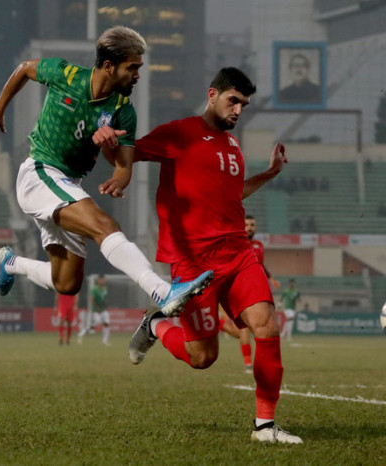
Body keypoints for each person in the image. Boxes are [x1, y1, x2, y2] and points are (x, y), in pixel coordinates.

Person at [0, 26, 212, 317]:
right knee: (106, 226)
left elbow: (123, 167)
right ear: (109, 66)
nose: (137, 75)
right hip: (39, 173)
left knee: (67, 282)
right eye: (132, 67)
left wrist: (113, 161)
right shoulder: (67, 75)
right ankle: (163, 291)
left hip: (66, 184)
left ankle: (12, 264)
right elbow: (25, 69)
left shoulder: (124, 110)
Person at [128, 67, 302, 444]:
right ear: (212, 94)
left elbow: (233, 195)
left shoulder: (233, 146)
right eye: (233, 100)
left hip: (238, 253)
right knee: (202, 357)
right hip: (194, 264)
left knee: (267, 327)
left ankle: (265, 426)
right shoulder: (180, 133)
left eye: (244, 104)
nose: (238, 110)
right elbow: (129, 152)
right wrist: (109, 140)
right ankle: (156, 324)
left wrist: (270, 173)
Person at [220, 215, 281, 373]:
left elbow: (260, 264)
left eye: (252, 224)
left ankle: (218, 325)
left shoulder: (259, 245)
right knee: (245, 329)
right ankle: (249, 364)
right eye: (246, 224)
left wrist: (271, 278)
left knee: (252, 328)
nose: (249, 227)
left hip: (257, 288)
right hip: (239, 289)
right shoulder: (237, 243)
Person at [87, 274, 111, 345]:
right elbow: (92, 299)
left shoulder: (105, 288)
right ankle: (88, 329)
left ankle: (105, 340)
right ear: (98, 280)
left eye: (103, 280)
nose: (102, 281)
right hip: (96, 310)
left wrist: (105, 304)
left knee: (106, 323)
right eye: (101, 279)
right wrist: (96, 308)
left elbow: (104, 298)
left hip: (103, 309)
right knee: (97, 322)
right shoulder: (95, 288)